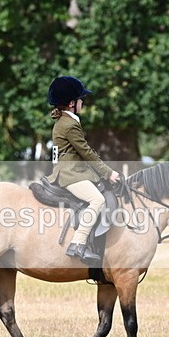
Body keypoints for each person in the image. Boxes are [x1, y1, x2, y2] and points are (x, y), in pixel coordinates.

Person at [46, 76, 121, 265]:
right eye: (81, 100)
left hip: (70, 170)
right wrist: (108, 173)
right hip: (70, 174)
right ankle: (78, 243)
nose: (83, 103)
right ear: (72, 103)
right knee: (98, 200)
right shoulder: (70, 125)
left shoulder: (65, 121)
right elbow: (86, 152)